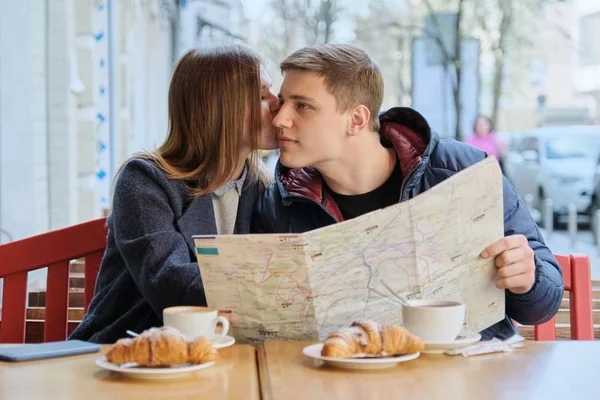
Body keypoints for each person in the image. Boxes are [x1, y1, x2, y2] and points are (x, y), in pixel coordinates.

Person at [252, 44, 564, 340]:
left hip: (466, 377)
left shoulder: (463, 170)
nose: (279, 118)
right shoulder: (276, 204)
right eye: (282, 102)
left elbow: (543, 305)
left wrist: (528, 278)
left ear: (356, 119)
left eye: (302, 105)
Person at [70, 44, 280, 344]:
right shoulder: (144, 180)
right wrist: (275, 289)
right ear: (218, 107)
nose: (277, 104)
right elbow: (169, 282)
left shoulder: (260, 187)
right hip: (125, 351)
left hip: (215, 353)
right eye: (262, 96)